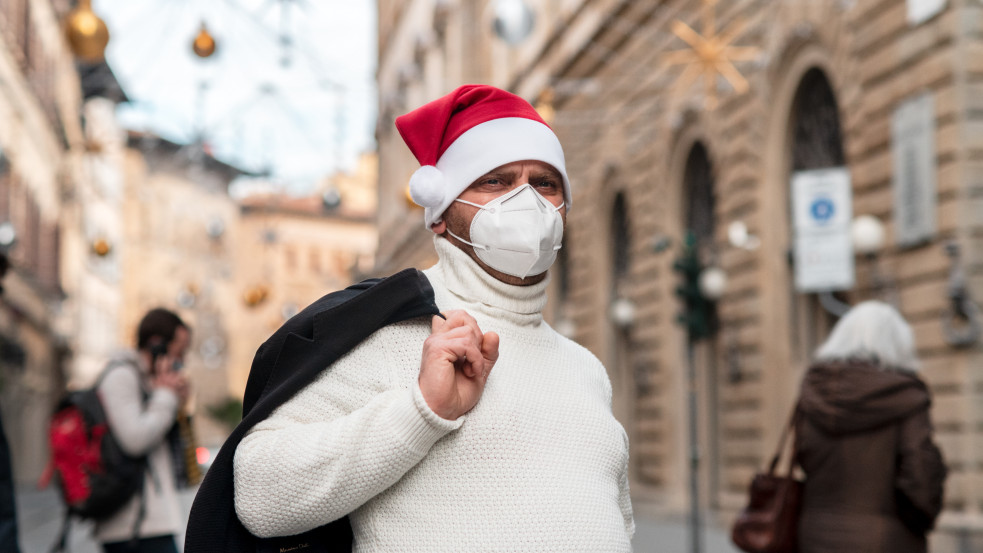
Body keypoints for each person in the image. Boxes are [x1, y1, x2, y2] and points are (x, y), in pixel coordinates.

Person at [231, 84, 634, 551]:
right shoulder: (390, 334)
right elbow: (260, 495)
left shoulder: (586, 369)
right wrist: (422, 410)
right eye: (495, 181)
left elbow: (619, 525)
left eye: (545, 183)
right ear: (440, 212)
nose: (528, 201)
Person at [793, 300, 947, 553]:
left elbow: (802, 456)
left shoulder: (811, 392)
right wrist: (922, 519)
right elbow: (920, 470)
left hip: (813, 536)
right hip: (885, 540)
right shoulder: (905, 395)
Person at [96, 308, 191, 553]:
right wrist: (166, 396)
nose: (182, 361)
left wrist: (177, 402)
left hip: (150, 523)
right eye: (178, 353)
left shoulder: (147, 382)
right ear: (156, 345)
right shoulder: (121, 376)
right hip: (132, 525)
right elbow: (135, 439)